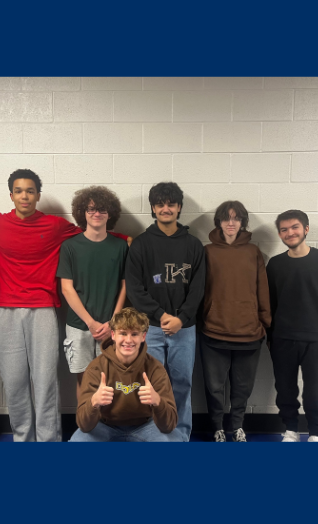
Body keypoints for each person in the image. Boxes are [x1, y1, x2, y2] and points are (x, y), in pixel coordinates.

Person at [0, 169, 81, 442]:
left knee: (46, 383)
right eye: (19, 191)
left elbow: (91, 236)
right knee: (14, 384)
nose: (25, 196)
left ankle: (48, 441)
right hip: (6, 313)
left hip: (43, 312)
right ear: (11, 195)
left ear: (38, 195)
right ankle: (22, 439)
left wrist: (126, 240)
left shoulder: (54, 226)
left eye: (30, 191)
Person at [122, 181, 206, 442]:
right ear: (153, 208)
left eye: (171, 204)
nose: (166, 208)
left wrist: (181, 318)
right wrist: (161, 315)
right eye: (160, 204)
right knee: (151, 384)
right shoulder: (141, 245)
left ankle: (180, 436)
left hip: (184, 329)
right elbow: (135, 290)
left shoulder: (194, 245)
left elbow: (198, 288)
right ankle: (155, 434)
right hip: (151, 330)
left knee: (182, 384)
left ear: (179, 207)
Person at [266, 210, 318, 443]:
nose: (290, 233)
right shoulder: (275, 264)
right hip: (283, 340)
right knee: (286, 390)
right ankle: (290, 429)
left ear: (306, 229)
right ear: (280, 234)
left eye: (295, 227)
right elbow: (270, 303)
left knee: (316, 393)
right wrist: (271, 337)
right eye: (284, 229)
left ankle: (315, 433)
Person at [199, 200, 270, 443]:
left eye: (236, 218)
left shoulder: (253, 252)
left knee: (242, 386)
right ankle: (218, 426)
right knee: (215, 386)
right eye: (226, 218)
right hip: (213, 331)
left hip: (249, 333)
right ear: (218, 221)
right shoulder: (207, 251)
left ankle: (237, 426)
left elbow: (262, 290)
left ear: (242, 223)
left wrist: (264, 322)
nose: (231, 223)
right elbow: (200, 290)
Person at [69, 308, 179, 442]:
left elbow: (169, 426)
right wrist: (94, 402)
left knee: (173, 442)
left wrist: (158, 401)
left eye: (134, 334)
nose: (128, 340)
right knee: (77, 442)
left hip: (145, 426)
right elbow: (84, 425)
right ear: (113, 335)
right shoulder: (96, 368)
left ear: (143, 337)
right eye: (123, 333)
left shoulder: (155, 368)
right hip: (105, 425)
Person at [56, 186, 129, 376]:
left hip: (111, 325)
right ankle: (85, 409)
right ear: (83, 213)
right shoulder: (70, 247)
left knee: (112, 379)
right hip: (79, 325)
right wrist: (90, 322)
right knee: (84, 380)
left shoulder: (121, 247)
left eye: (102, 209)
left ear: (110, 213)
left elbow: (125, 286)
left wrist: (114, 320)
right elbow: (67, 289)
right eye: (91, 209)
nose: (97, 213)